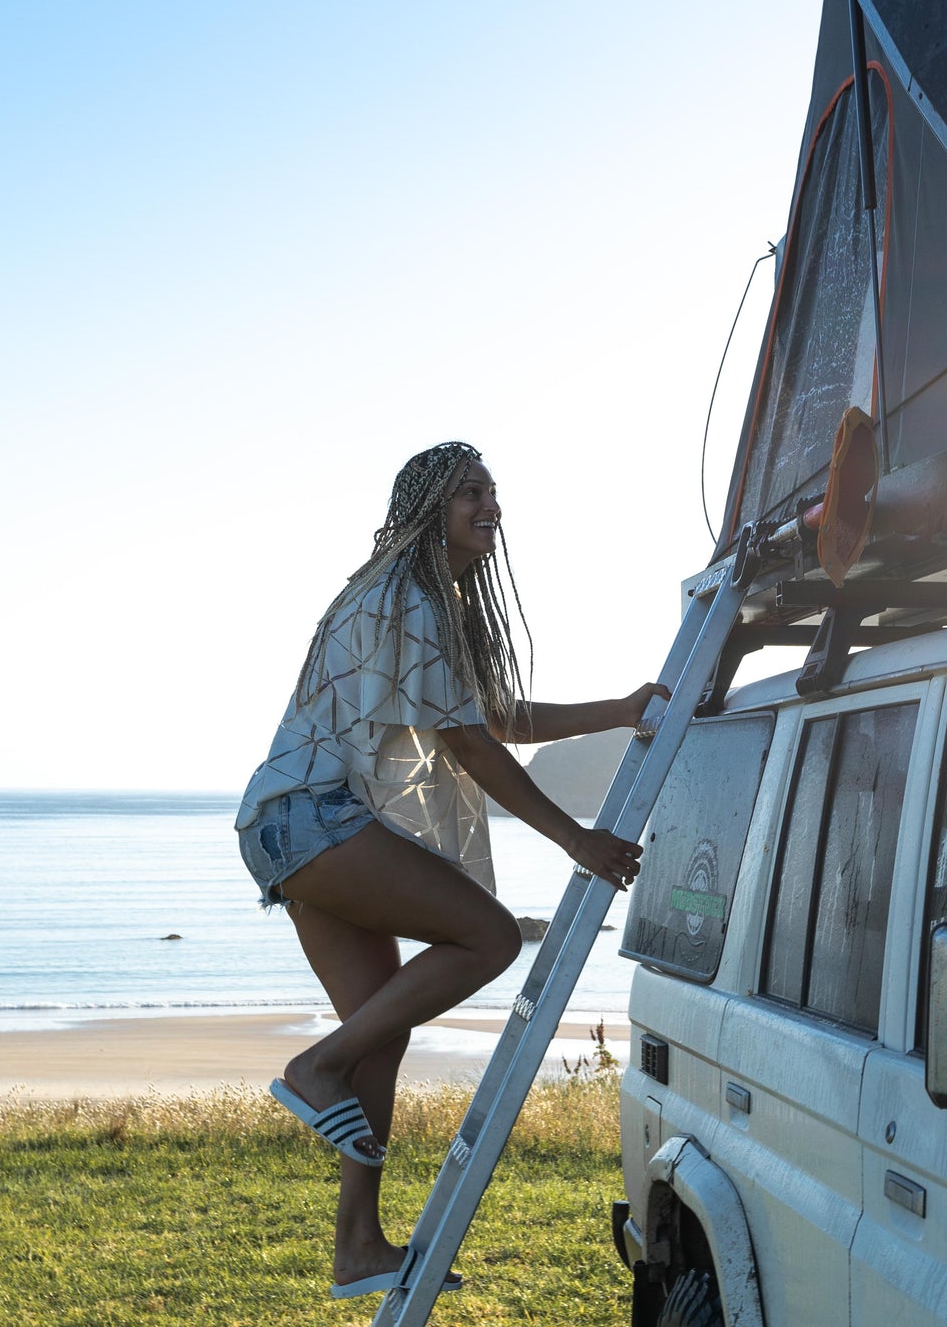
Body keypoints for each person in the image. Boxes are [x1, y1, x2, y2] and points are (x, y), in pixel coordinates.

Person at [233, 440, 666, 1300]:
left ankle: (357, 1245)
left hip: (284, 823)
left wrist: (618, 708)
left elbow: (492, 718)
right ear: (430, 504)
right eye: (470, 490)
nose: (488, 503)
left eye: (494, 491)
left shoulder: (418, 598)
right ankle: (313, 1067)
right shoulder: (408, 594)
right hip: (313, 817)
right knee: (488, 935)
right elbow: (468, 745)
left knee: (379, 1033)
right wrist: (575, 838)